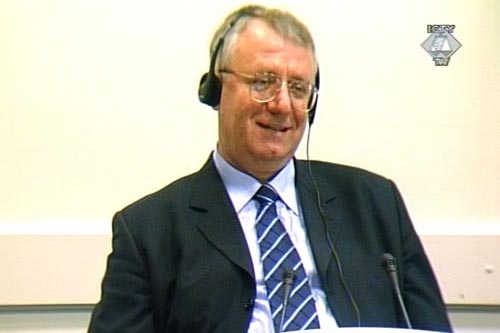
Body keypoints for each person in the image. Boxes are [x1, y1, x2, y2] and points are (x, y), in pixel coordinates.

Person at [88, 4, 452, 333]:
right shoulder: (148, 229)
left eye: (297, 88)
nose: (282, 105)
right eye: (262, 82)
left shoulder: (374, 201)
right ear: (216, 89)